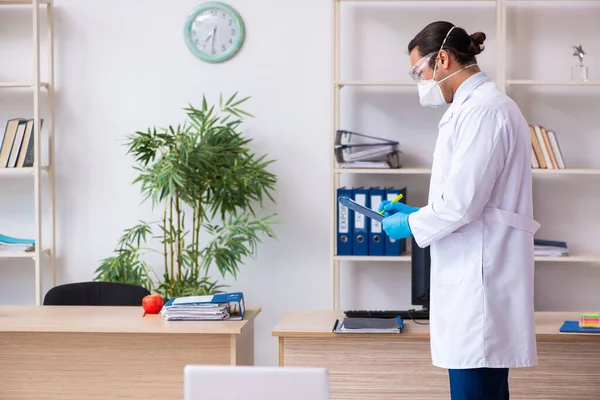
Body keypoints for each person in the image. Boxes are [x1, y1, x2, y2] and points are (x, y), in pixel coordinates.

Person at [378, 21, 540, 400]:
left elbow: (464, 204)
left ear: (444, 59)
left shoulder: (484, 110)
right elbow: (467, 198)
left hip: (480, 285)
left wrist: (413, 222)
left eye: (419, 72)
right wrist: (423, 212)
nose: (420, 83)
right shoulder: (474, 108)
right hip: (473, 275)